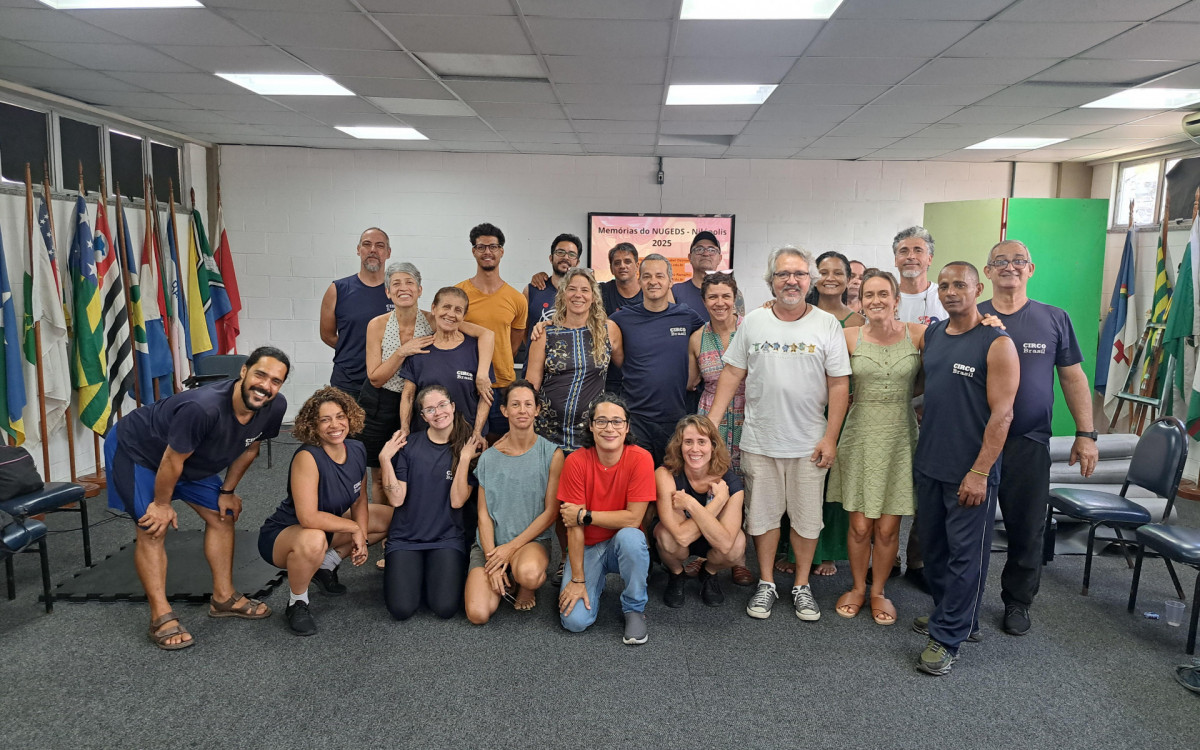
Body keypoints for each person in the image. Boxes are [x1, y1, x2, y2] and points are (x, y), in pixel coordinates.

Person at [103, 347, 289, 650]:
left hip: (189, 456)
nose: (266, 386)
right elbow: (171, 460)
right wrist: (162, 505)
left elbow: (250, 447)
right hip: (140, 452)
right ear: (243, 372)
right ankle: (160, 615)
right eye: (260, 375)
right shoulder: (203, 408)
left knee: (222, 515)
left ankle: (223, 597)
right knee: (152, 527)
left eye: (276, 381)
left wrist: (227, 492)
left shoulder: (273, 406)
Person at [707, 246, 851, 623]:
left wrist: (831, 437)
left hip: (809, 443)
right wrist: (711, 426)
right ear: (771, 281)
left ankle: (802, 585)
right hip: (760, 440)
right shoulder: (753, 322)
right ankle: (767, 582)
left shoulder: (826, 325)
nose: (792, 280)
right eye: (784, 274)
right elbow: (732, 374)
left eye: (799, 274)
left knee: (807, 519)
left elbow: (839, 386)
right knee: (763, 517)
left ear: (810, 281)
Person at [978, 239, 1098, 636]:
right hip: (976, 445)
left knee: (1026, 526)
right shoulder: (972, 318)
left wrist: (1086, 433)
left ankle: (1017, 601)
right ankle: (963, 596)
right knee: (967, 525)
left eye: (1018, 261)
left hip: (1029, 442)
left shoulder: (1053, 318)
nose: (1009, 267)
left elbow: (1073, 378)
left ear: (1031, 269)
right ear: (987, 271)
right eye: (1000, 261)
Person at [912, 262, 1019, 676]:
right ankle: (957, 615)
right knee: (934, 550)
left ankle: (948, 636)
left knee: (965, 556)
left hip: (970, 471)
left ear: (979, 289)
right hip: (930, 463)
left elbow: (1003, 415)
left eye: (961, 285)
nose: (951, 291)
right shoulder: (934, 334)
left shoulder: (997, 343)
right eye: (944, 285)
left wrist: (979, 471)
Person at [827, 270, 924, 627]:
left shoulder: (918, 334)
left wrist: (990, 323)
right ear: (860, 300)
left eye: (884, 294)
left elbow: (943, 364)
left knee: (887, 528)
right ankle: (856, 586)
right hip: (860, 436)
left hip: (901, 436)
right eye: (869, 295)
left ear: (896, 299)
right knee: (859, 526)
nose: (876, 301)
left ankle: (879, 590)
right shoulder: (848, 336)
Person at [257, 387, 392, 636]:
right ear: (313, 425)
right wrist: (354, 530)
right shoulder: (308, 457)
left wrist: (361, 534)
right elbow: (308, 518)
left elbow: (360, 499)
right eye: (325, 419)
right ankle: (297, 602)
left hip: (328, 527)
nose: (335, 425)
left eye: (340, 416)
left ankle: (326, 565)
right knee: (314, 538)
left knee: (389, 519)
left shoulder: (356, 449)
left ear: (350, 417)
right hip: (285, 535)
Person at [359, 262, 494, 506]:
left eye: (409, 282)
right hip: (387, 401)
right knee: (385, 472)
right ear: (387, 291)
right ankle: (393, 526)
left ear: (420, 290)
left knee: (453, 477)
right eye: (396, 284)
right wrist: (403, 352)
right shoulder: (378, 325)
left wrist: (482, 373)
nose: (403, 288)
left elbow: (486, 334)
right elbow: (377, 379)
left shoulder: (435, 320)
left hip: (432, 410)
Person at [463, 380, 565, 624]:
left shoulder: (552, 454)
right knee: (478, 614)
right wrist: (493, 560)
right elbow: (484, 515)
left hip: (530, 542)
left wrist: (509, 549)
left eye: (528, 404)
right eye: (516, 404)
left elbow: (551, 512)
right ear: (504, 411)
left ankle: (525, 586)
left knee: (528, 575)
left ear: (537, 410)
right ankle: (502, 572)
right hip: (491, 543)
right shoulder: (488, 458)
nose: (522, 410)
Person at [558, 395, 654, 644]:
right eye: (601, 421)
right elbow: (573, 525)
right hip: (587, 546)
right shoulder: (575, 462)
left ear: (627, 426)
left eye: (616, 421)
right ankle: (592, 581)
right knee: (575, 622)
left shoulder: (641, 458)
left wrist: (586, 516)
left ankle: (634, 608)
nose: (609, 428)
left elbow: (633, 519)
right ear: (590, 426)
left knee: (632, 538)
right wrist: (578, 580)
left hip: (621, 542)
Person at [379, 385, 478, 620]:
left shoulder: (468, 449)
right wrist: (384, 459)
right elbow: (396, 498)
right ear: (423, 417)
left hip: (446, 539)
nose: (438, 412)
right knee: (401, 610)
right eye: (430, 409)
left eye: (443, 405)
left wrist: (463, 460)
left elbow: (457, 501)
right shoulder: (410, 446)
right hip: (406, 538)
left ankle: (426, 576)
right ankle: (416, 575)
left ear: (453, 407)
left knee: (444, 608)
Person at [687, 271, 753, 587]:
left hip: (748, 416)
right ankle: (705, 551)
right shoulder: (697, 338)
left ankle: (739, 557)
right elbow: (691, 381)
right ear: (704, 301)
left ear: (735, 298)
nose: (720, 302)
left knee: (746, 485)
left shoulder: (752, 330)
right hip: (710, 415)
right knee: (711, 484)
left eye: (726, 296)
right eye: (713, 297)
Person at [803, 250, 864, 577]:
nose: (830, 278)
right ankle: (794, 547)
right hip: (803, 407)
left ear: (849, 279)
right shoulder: (800, 313)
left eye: (838, 272)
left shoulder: (858, 322)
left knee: (831, 481)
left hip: (840, 410)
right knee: (800, 478)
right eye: (822, 271)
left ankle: (827, 551)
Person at [611, 253, 705, 466]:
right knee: (638, 485)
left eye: (660, 276)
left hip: (675, 418)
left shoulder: (686, 316)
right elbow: (588, 326)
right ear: (639, 279)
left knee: (669, 485)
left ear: (671, 281)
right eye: (647, 276)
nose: (653, 281)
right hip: (635, 419)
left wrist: (697, 371)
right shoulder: (622, 317)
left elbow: (714, 333)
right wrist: (548, 323)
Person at [893, 225, 946, 591]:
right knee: (889, 485)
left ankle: (917, 559)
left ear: (929, 257)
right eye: (903, 251)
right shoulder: (881, 296)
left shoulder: (944, 299)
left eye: (917, 250)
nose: (910, 256)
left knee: (926, 489)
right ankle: (884, 556)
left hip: (933, 410)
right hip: (888, 408)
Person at [526, 267, 622, 453]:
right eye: (571, 289)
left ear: (593, 297)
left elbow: (625, 370)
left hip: (590, 435)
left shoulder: (608, 331)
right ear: (563, 294)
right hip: (547, 434)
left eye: (585, 290)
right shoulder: (545, 333)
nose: (578, 295)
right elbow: (531, 387)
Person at [655, 416, 747, 608]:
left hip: (712, 541)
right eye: (688, 442)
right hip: (679, 541)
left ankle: (709, 572)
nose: (694, 449)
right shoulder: (665, 474)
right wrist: (718, 502)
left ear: (713, 446)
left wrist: (691, 504)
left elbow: (725, 544)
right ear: (679, 446)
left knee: (737, 546)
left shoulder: (731, 484)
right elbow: (681, 536)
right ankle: (676, 574)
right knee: (666, 536)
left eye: (702, 442)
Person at [456, 222, 527, 439]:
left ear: (501, 251)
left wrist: (498, 361)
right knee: (466, 444)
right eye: (481, 247)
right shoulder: (458, 294)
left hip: (503, 386)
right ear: (473, 251)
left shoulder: (517, 299)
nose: (487, 252)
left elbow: (514, 343)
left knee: (500, 447)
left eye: (493, 247)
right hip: (468, 384)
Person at [397, 287, 492, 446]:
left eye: (458, 310)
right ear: (434, 309)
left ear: (464, 316)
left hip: (467, 439)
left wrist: (477, 432)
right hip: (426, 438)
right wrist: (405, 428)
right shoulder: (418, 349)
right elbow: (407, 396)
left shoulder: (477, 350)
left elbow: (485, 397)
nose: (451, 314)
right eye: (446, 307)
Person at [320, 228, 393, 401]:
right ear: (358, 249)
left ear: (388, 253)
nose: (373, 249)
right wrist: (353, 352)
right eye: (367, 244)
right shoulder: (338, 289)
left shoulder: (397, 291)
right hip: (347, 383)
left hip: (386, 384)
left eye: (380, 245)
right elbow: (327, 335)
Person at [671, 231, 744, 323]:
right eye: (699, 249)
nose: (705, 253)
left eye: (712, 250)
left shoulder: (733, 293)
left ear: (720, 259)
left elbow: (738, 328)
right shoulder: (675, 291)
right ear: (689, 257)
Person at [523, 233, 583, 344]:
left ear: (577, 262)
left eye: (571, 254)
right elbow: (524, 332)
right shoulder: (531, 290)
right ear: (551, 258)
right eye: (560, 252)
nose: (566, 257)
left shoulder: (582, 296)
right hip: (534, 360)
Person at [599, 242, 642, 395]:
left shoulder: (649, 295)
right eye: (617, 263)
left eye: (627, 261)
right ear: (611, 268)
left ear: (637, 265)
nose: (622, 266)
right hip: (608, 378)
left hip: (641, 376)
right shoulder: (601, 291)